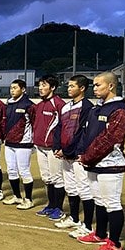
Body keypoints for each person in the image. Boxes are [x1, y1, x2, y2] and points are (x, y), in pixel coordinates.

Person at [75, 72, 125, 250]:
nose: (95, 88)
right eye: (94, 85)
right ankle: (100, 234)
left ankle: (115, 245)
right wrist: (82, 153)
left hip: (110, 165)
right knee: (99, 200)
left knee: (112, 203)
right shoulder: (96, 108)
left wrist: (87, 157)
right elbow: (86, 134)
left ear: (111, 86)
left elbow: (111, 140)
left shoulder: (119, 110)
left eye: (98, 85)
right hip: (92, 163)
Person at [52, 75, 94, 235]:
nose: (68, 89)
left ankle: (88, 225)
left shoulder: (87, 107)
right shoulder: (66, 106)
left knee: (83, 188)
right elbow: (59, 128)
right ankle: (74, 218)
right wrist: (57, 147)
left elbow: (82, 134)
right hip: (64, 154)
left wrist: (68, 150)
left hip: (77, 155)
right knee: (70, 187)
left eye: (72, 86)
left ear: (82, 88)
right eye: (68, 86)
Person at [33, 75, 67, 220]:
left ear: (52, 87)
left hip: (53, 148)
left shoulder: (59, 104)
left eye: (44, 85)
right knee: (47, 178)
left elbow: (65, 127)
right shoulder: (39, 105)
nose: (40, 88)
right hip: (40, 146)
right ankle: (51, 205)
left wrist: (61, 146)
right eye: (40, 85)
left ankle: (59, 208)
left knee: (57, 178)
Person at [2, 79, 36, 210]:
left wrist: (33, 142)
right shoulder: (9, 103)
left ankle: (28, 199)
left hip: (23, 143)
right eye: (11, 88)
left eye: (15, 88)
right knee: (11, 170)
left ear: (23, 89)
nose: (12, 90)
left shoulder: (29, 105)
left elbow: (34, 123)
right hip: (9, 142)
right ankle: (17, 196)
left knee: (24, 171)